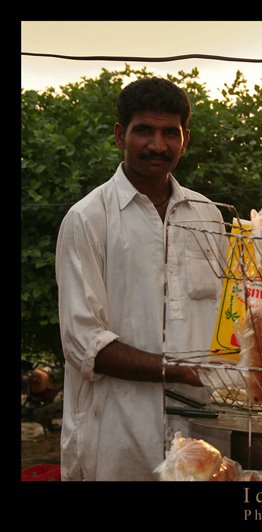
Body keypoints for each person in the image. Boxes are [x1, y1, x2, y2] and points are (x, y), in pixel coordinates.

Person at [55, 77, 225, 481]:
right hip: (115, 434)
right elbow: (84, 344)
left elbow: (227, 318)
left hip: (202, 434)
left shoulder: (208, 216)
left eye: (170, 132)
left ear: (186, 138)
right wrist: (180, 370)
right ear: (120, 136)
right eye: (144, 131)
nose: (157, 145)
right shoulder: (88, 218)